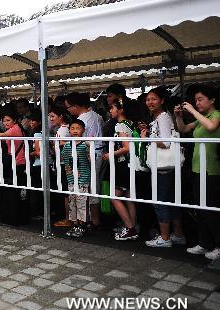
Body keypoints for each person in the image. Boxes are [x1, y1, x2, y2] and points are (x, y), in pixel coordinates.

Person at [175, 84, 220, 260]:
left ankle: (217, 244)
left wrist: (193, 110)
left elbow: (210, 127)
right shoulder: (203, 117)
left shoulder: (215, 115)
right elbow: (184, 129)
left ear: (213, 100)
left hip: (212, 169)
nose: (198, 102)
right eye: (196, 100)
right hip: (197, 168)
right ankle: (205, 243)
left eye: (201, 99)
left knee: (211, 208)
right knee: (199, 209)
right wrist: (178, 116)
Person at [137, 87, 186, 247]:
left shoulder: (163, 117)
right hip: (168, 167)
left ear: (162, 100)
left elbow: (165, 143)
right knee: (171, 200)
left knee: (160, 201)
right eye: (148, 99)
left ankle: (165, 238)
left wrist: (146, 138)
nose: (150, 102)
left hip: (162, 167)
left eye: (154, 99)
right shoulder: (160, 117)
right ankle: (177, 235)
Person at [66, 92, 104, 229]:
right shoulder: (97, 116)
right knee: (94, 186)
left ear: (75, 106)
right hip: (99, 152)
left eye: (68, 107)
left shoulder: (82, 119)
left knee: (87, 188)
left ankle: (90, 220)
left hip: (87, 155)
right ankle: (94, 219)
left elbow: (80, 141)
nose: (68, 110)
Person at [104, 99, 138, 241]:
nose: (110, 110)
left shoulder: (119, 125)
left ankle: (130, 228)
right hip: (132, 164)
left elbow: (126, 147)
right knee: (129, 198)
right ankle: (133, 227)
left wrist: (110, 154)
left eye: (112, 108)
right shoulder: (130, 123)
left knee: (114, 196)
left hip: (123, 165)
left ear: (121, 110)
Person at [61, 119, 91, 237]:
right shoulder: (67, 145)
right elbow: (64, 158)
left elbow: (91, 158)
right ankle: (75, 224)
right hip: (71, 179)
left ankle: (82, 226)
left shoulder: (85, 144)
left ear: (83, 130)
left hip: (83, 179)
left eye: (77, 128)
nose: (74, 131)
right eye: (72, 128)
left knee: (82, 202)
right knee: (72, 202)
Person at [49, 107, 71, 227]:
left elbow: (62, 145)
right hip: (62, 163)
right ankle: (68, 217)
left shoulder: (63, 130)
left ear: (60, 117)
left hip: (63, 164)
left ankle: (68, 218)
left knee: (66, 192)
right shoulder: (63, 129)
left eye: (53, 116)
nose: (51, 119)